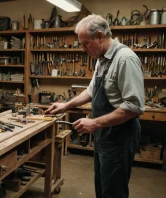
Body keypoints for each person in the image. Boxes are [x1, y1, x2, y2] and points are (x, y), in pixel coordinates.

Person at [46, 14, 144, 198]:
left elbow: (133, 106)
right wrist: (66, 105)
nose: (83, 49)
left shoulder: (125, 59)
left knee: (113, 191)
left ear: (100, 36)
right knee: (102, 186)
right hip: (104, 135)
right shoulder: (102, 59)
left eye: (85, 43)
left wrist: (95, 123)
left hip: (120, 136)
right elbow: (91, 91)